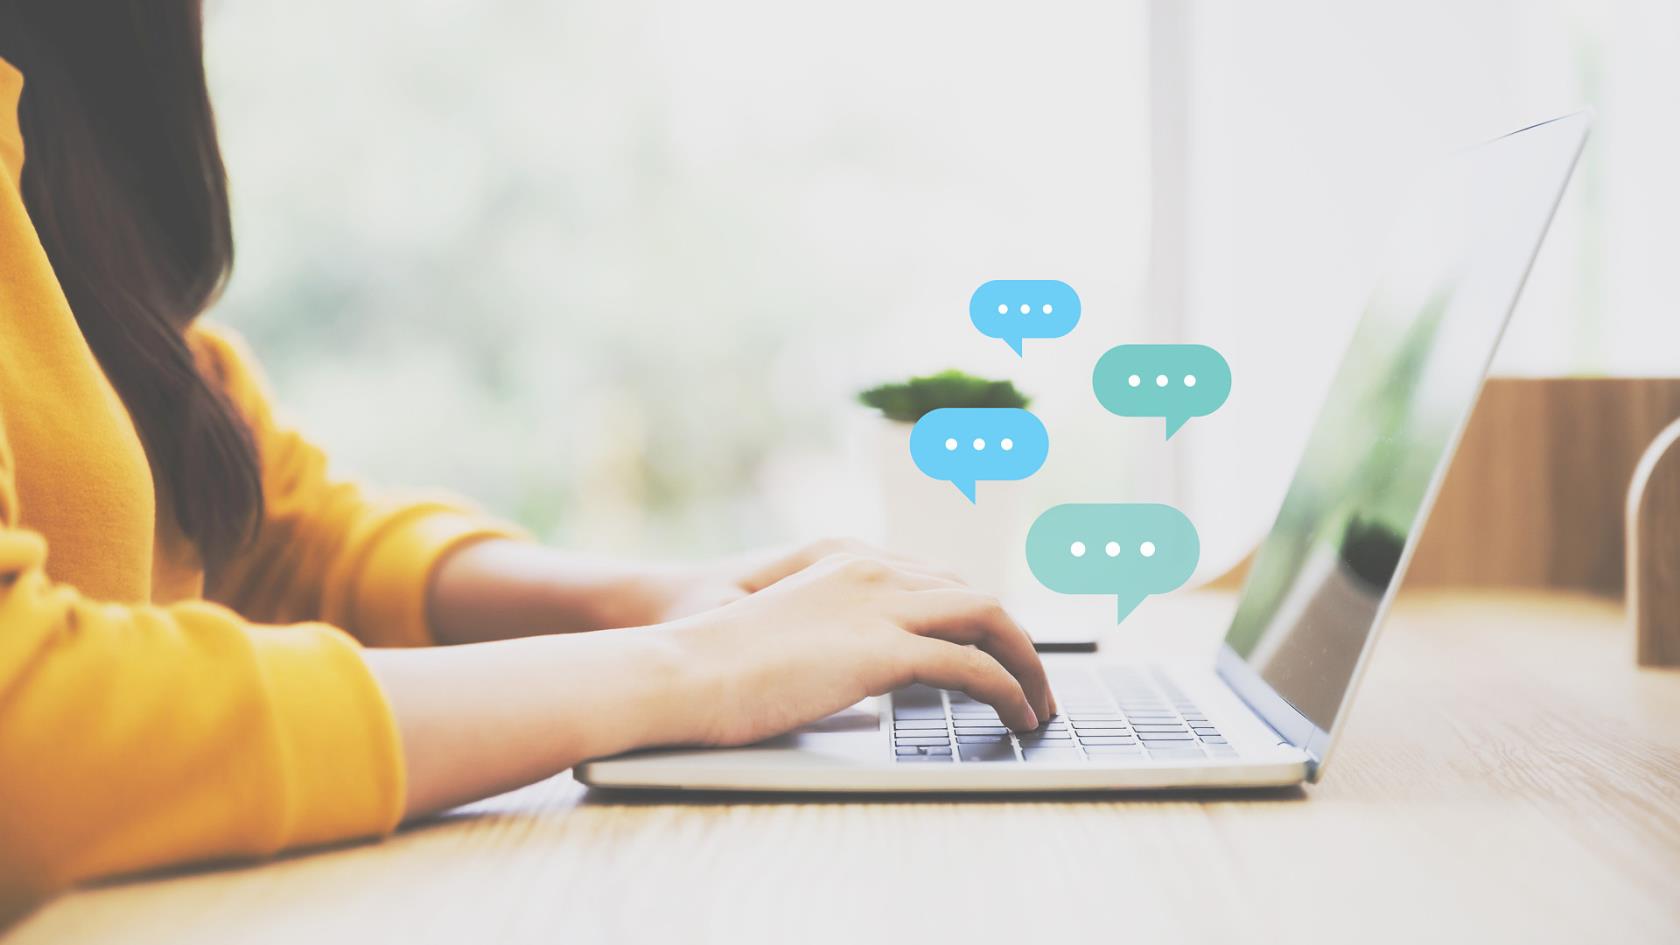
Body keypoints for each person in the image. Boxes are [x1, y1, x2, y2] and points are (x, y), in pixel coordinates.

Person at [0, 0, 1052, 919]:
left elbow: (264, 534)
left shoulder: (53, 106)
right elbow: (24, 729)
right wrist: (693, 673)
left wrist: (651, 599)